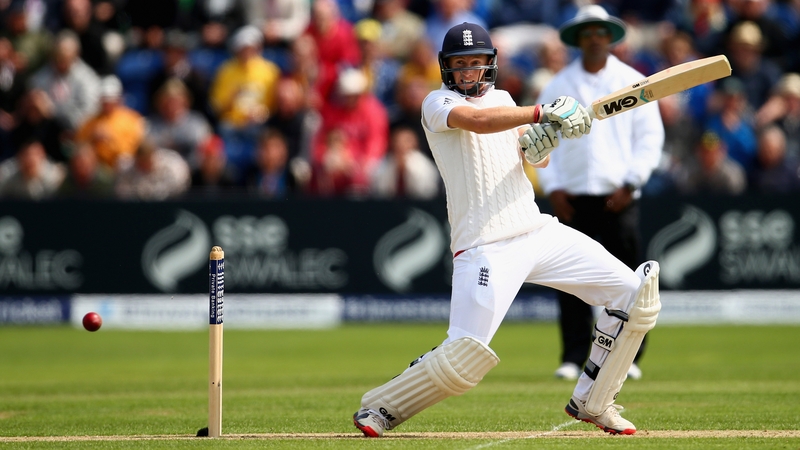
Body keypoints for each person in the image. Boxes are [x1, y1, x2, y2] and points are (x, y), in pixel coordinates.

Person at [352, 22, 661, 438]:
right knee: (465, 355)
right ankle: (381, 408)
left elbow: (531, 154)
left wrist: (542, 143)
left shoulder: (504, 98)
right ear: (447, 68)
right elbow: (478, 123)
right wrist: (541, 112)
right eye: (460, 65)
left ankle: (595, 400)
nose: (468, 73)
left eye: (476, 64)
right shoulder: (436, 103)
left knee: (633, 295)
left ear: (490, 65)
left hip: (536, 231)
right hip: (484, 246)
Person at [534, 6, 664, 382]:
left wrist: (631, 183)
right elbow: (545, 140)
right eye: (587, 32)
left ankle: (630, 357)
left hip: (618, 197)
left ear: (610, 37)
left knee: (629, 280)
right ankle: (574, 356)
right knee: (571, 279)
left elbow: (649, 138)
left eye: (600, 32)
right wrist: (553, 187)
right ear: (578, 39)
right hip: (572, 199)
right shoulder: (558, 85)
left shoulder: (632, 81)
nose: (594, 38)